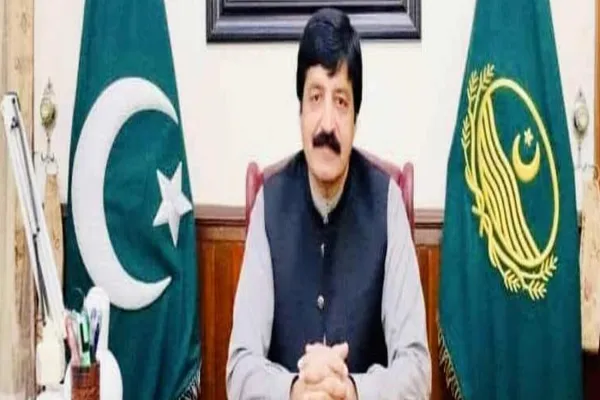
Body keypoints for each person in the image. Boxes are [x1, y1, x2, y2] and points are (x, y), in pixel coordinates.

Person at [226, 7, 431, 400]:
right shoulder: (269, 203)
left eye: (341, 101)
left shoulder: (387, 202)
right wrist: (295, 389)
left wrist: (350, 390)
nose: (326, 125)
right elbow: (240, 368)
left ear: (356, 117)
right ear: (300, 110)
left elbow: (417, 371)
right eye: (315, 97)